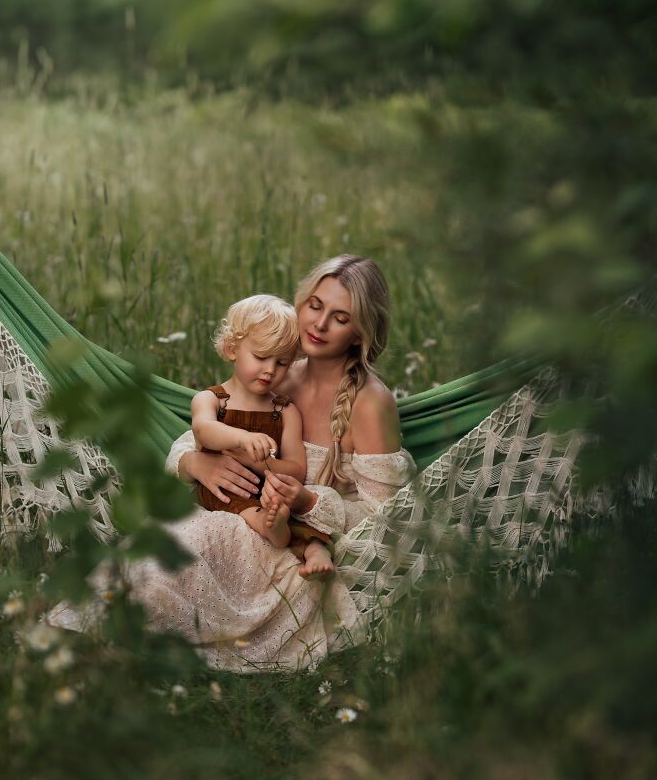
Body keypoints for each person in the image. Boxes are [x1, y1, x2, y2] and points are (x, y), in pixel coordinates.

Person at [50, 255, 416, 672]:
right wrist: (195, 465)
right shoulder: (278, 372)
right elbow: (201, 435)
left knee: (181, 560)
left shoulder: (370, 403)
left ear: (359, 333)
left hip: (293, 545)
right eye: (315, 305)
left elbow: (386, 519)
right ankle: (86, 639)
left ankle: (108, 649)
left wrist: (307, 502)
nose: (319, 324)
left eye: (340, 317)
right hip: (231, 517)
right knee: (158, 550)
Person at [191, 294, 331, 560]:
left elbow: (296, 470)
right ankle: (275, 529)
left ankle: (303, 543)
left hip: (268, 496)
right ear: (232, 349)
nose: (270, 370)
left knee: (296, 518)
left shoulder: (285, 411)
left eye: (281, 363)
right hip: (221, 493)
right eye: (261, 357)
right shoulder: (212, 400)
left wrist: (259, 464)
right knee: (251, 509)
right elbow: (202, 430)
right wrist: (241, 438)